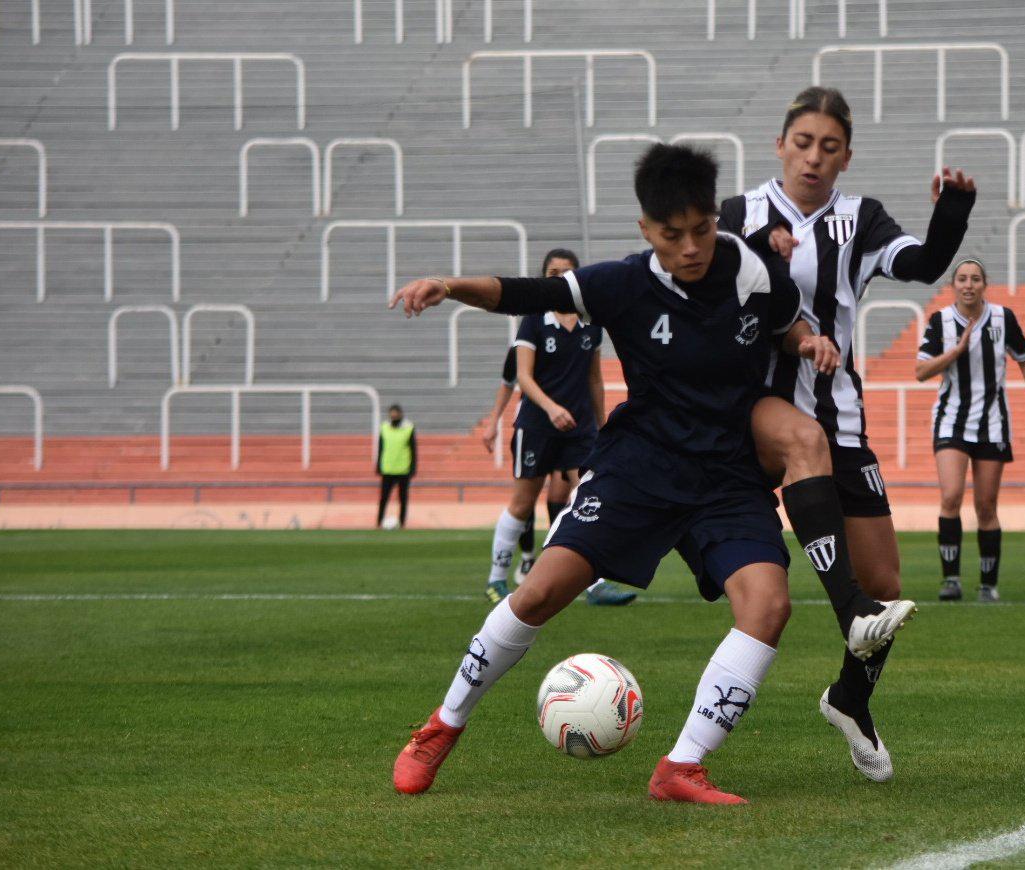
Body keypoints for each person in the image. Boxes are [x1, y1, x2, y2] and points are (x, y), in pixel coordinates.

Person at [386, 144, 906, 804]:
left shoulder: (751, 272)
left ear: (713, 219)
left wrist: (807, 340)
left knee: (768, 605)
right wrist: (451, 286)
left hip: (726, 478)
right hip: (639, 467)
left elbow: (784, 324)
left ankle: (681, 767)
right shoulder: (623, 283)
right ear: (645, 231)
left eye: (699, 229)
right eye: (671, 235)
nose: (689, 247)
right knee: (542, 591)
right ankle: (441, 725)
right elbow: (527, 290)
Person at [717, 85, 976, 780]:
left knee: (886, 583)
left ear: (846, 158)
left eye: (829, 147)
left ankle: (849, 698)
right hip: (749, 412)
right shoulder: (739, 213)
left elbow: (921, 265)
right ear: (779, 144)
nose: (813, 157)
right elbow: (703, 282)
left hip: (840, 413)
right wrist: (757, 255)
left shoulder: (858, 220)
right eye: (802, 142)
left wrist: (950, 214)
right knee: (755, 573)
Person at [478, 250, 637, 607]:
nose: (559, 277)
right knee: (522, 504)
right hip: (537, 425)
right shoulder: (534, 319)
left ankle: (592, 582)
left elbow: (595, 378)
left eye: (566, 272)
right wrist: (550, 409)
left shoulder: (591, 322)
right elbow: (522, 376)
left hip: (578, 429)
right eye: (553, 272)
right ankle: (496, 579)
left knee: (585, 502)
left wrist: (601, 425)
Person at [915, 258, 1025, 603]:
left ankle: (988, 584)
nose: (968, 284)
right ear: (953, 285)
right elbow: (921, 371)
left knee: (986, 504)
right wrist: (955, 352)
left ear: (984, 284)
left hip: (992, 422)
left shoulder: (1003, 318)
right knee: (951, 496)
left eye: (975, 279)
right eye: (962, 279)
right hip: (951, 419)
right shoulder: (940, 321)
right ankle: (951, 580)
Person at [479, 348, 572, 584]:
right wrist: (492, 423)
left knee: (566, 495)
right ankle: (528, 557)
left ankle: (559, 560)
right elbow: (507, 383)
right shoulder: (526, 339)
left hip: (571, 425)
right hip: (534, 429)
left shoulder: (580, 333)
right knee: (525, 500)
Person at [376, 404, 416, 528]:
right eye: (391, 413)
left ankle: (402, 522)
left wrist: (413, 467)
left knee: (403, 499)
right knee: (383, 498)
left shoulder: (408, 428)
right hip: (387, 468)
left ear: (400, 414)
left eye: (395, 413)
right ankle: (379, 522)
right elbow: (381, 448)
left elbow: (413, 449)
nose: (393, 415)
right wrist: (378, 465)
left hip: (403, 469)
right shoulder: (384, 427)